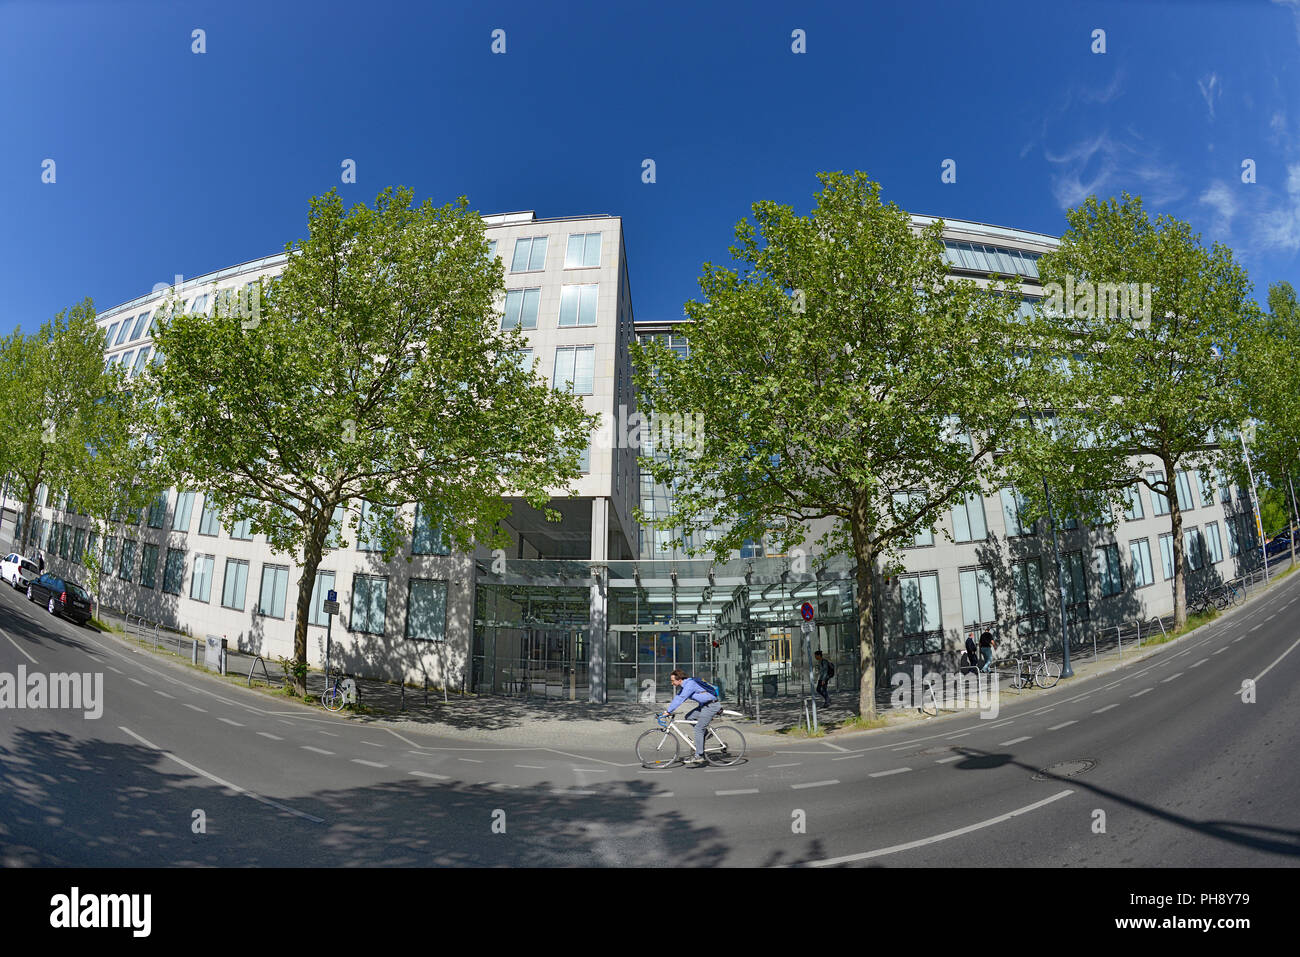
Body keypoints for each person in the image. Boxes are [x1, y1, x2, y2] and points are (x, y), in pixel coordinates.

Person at [659, 669, 722, 767]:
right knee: (689, 717)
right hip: (704, 705)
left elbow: (681, 698)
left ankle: (699, 755)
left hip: (711, 706)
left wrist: (669, 711)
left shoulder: (689, 684)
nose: (672, 683)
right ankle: (704, 734)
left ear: (679, 680)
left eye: (672, 681)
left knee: (698, 729)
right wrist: (667, 711)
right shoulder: (685, 685)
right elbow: (678, 697)